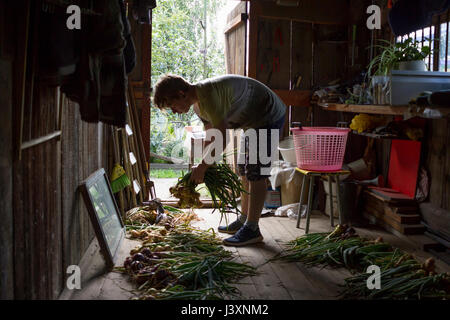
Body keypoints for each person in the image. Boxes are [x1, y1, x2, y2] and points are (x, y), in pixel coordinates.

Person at [153, 74, 286, 246]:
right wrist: (201, 162)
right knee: (244, 170)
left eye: (172, 105)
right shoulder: (198, 107)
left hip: (267, 114)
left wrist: (203, 166)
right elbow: (212, 136)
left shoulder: (208, 95)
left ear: (181, 93)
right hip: (252, 121)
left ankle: (252, 229)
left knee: (256, 172)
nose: (174, 111)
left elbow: (223, 139)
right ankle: (245, 219)